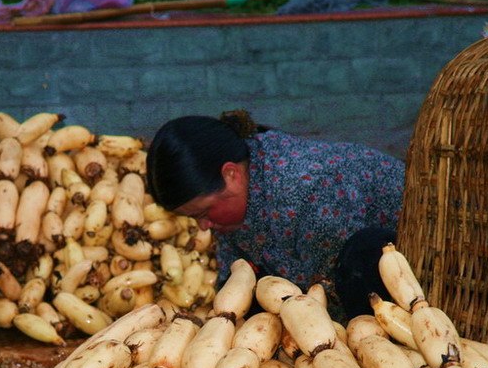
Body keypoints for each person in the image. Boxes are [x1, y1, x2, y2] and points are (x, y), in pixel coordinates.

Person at [145, 110, 405, 322]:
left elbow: (328, 299)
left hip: (406, 273)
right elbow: (237, 278)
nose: (204, 226)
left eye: (203, 213)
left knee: (365, 256)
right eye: (194, 219)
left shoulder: (307, 189)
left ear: (230, 175)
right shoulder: (238, 196)